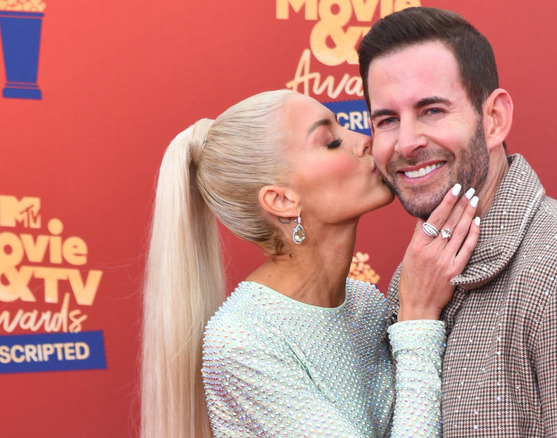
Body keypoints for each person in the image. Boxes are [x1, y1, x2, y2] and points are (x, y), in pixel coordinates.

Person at [358, 7, 557, 437]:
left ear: (494, 119)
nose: (407, 142)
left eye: (432, 110)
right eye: (387, 120)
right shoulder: (414, 279)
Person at [140, 89, 482, 437]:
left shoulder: (366, 306)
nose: (366, 141)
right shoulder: (244, 341)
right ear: (282, 200)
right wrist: (418, 320)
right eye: (331, 142)